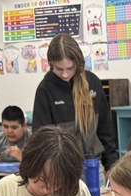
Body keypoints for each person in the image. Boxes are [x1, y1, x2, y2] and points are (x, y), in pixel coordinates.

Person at [32, 33, 118, 173]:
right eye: (59, 69)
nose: (65, 74)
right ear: (51, 63)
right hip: (63, 168)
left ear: (78, 63)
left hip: (93, 164)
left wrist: (111, 166)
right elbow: (41, 138)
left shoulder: (92, 82)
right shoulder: (45, 90)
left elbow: (105, 129)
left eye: (70, 68)